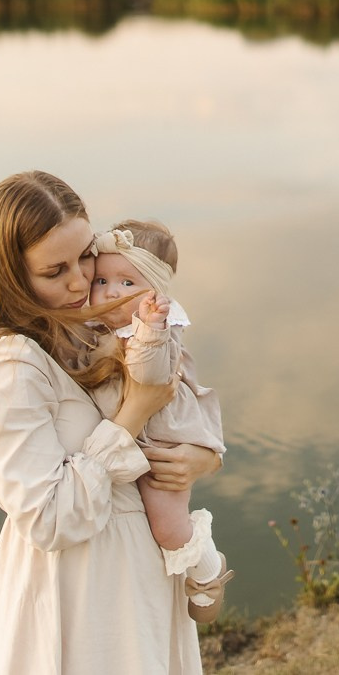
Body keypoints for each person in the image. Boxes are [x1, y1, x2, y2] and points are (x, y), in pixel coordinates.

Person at [0, 171, 222, 674]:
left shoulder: (83, 327)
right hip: (79, 595)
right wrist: (134, 412)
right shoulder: (7, 369)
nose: (80, 282)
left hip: (132, 579)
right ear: (10, 275)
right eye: (55, 271)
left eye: (85, 256)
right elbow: (51, 519)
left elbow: (170, 410)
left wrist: (200, 458)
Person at [86, 219, 232, 614]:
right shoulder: (97, 325)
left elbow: (148, 377)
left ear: (154, 291)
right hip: (131, 437)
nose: (111, 292)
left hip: (161, 441)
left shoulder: (157, 328)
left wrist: (149, 330)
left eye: (127, 283)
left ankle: (208, 570)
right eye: (101, 281)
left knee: (167, 526)